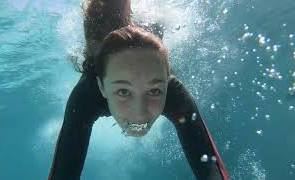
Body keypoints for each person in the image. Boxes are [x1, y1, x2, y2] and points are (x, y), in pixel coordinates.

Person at [48, 0, 229, 179]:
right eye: (123, 92)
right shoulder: (86, 97)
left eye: (154, 91)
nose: (140, 113)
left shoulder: (174, 93)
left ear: (167, 83)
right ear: (101, 87)